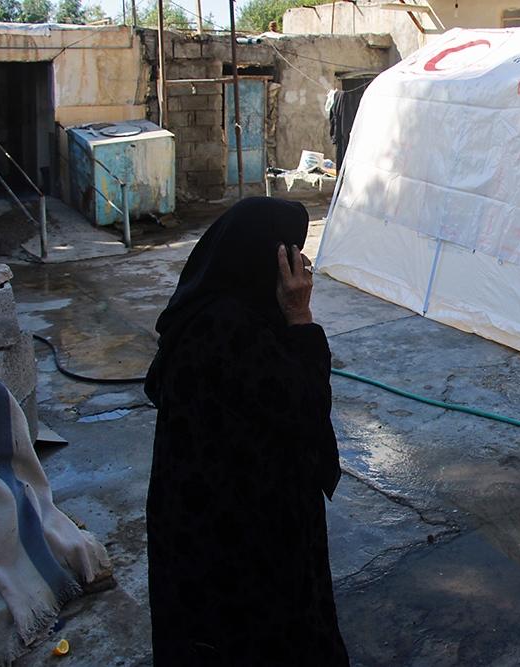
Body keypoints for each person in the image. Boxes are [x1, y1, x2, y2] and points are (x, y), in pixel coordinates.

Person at [144, 197, 347, 665]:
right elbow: (306, 407)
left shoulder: (199, 314)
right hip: (243, 554)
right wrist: (300, 318)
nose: (300, 269)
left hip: (197, 544)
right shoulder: (236, 333)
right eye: (292, 256)